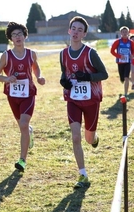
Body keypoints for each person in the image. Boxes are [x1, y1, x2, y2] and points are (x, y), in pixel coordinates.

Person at [59, 16, 108, 189]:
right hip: (73, 99)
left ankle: (94, 138)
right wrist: (63, 81)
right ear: (69, 30)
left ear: (84, 34)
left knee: (88, 138)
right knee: (75, 137)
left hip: (91, 100)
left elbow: (104, 74)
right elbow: (64, 74)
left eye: (80, 30)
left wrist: (88, 77)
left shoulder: (90, 53)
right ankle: (82, 174)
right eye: (74, 28)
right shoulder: (63, 53)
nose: (76, 32)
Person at [0, 22, 45, 172]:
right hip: (12, 95)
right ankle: (28, 131)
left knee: (23, 124)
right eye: (14, 35)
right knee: (22, 126)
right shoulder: (6, 56)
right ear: (10, 38)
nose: (17, 37)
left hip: (28, 93)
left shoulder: (31, 53)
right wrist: (6, 79)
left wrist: (40, 77)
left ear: (25, 36)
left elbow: (35, 67)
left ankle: (22, 160)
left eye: (20, 34)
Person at [110, 26, 134, 98]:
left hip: (127, 62)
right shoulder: (117, 41)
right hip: (120, 63)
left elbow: (133, 51)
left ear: (128, 33)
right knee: (122, 78)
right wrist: (119, 56)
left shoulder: (131, 42)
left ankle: (125, 93)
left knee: (126, 77)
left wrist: (132, 55)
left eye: (126, 32)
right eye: (123, 32)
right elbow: (112, 51)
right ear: (121, 33)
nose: (124, 33)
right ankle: (122, 79)